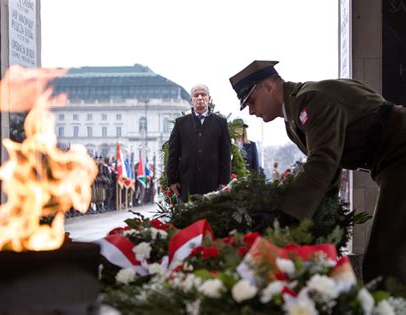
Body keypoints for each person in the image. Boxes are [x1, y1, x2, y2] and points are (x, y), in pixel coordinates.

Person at [229, 60, 406, 285]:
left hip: (400, 155)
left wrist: (286, 215)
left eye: (251, 101)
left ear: (269, 87)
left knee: (385, 260)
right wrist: (319, 220)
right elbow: (329, 170)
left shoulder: (310, 100)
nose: (251, 111)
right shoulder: (294, 117)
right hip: (391, 162)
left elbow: (323, 160)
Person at [167, 84, 231, 202]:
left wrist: (224, 182)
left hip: (213, 183)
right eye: (196, 95)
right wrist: (172, 180)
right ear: (191, 100)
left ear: (209, 99)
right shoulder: (181, 123)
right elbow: (173, 154)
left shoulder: (220, 123)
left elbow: (226, 155)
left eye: (203, 94)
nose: (200, 98)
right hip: (186, 184)